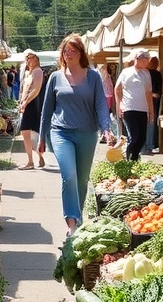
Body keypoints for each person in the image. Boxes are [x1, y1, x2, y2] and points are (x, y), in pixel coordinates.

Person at [39, 34, 116, 237]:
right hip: (61, 133)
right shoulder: (55, 77)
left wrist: (106, 129)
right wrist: (41, 138)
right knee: (69, 175)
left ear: (81, 53)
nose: (68, 54)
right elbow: (46, 110)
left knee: (82, 180)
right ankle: (71, 223)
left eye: (73, 50)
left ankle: (79, 218)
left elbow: (101, 105)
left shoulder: (93, 77)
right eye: (65, 50)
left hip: (87, 134)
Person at [115, 48, 154, 161]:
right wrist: (119, 105)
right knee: (134, 137)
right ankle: (129, 159)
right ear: (138, 59)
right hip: (129, 107)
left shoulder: (146, 73)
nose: (146, 62)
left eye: (147, 60)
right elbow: (117, 89)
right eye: (144, 60)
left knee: (142, 138)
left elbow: (148, 93)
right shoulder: (126, 72)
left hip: (142, 109)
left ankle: (134, 159)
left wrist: (151, 111)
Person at [17, 49, 45, 169]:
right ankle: (37, 156)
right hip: (27, 104)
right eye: (27, 58)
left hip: (32, 105)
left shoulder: (38, 72)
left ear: (36, 58)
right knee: (27, 133)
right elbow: (24, 89)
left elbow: (36, 89)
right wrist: (21, 101)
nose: (28, 60)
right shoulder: (29, 73)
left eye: (31, 57)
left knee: (26, 132)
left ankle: (31, 161)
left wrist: (26, 102)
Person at [145, 54, 163, 153]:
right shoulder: (157, 73)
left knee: (148, 120)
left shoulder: (146, 72)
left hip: (147, 98)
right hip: (155, 99)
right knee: (153, 119)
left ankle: (148, 144)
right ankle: (151, 143)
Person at [98, 63, 118, 139]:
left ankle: (105, 132)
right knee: (105, 114)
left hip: (107, 96)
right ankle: (105, 132)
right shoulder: (104, 76)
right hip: (106, 96)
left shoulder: (106, 76)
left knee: (106, 114)